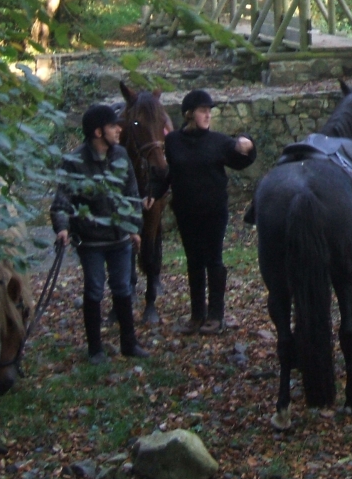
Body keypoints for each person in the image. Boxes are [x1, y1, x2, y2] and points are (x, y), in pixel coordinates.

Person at [146, 89, 256, 335]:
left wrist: (247, 144)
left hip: (213, 211)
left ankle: (216, 315)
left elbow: (240, 158)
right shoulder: (173, 141)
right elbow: (168, 174)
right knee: (194, 262)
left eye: (209, 111)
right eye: (202, 111)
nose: (207, 115)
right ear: (189, 114)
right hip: (186, 211)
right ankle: (197, 314)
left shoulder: (218, 141)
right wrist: (153, 193)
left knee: (213, 260)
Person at [51, 104, 150, 364]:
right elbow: (61, 200)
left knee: (123, 288)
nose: (119, 129)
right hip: (91, 241)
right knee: (94, 289)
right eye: (112, 126)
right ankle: (95, 349)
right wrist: (62, 227)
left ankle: (129, 343)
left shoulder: (121, 155)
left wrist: (134, 229)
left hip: (120, 239)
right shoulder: (74, 162)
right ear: (98, 132)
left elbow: (131, 195)